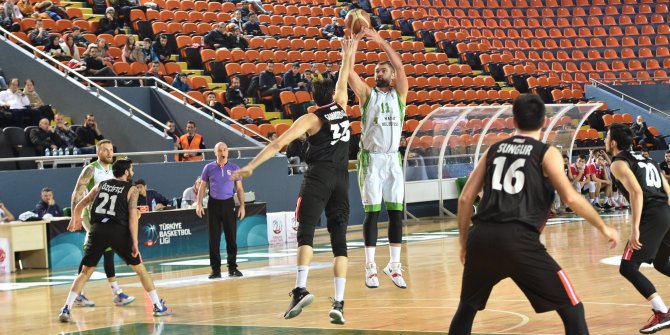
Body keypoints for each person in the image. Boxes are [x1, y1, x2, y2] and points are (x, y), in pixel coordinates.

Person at [448, 94, 619, 335]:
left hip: (482, 237)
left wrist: (464, 242)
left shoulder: (494, 149)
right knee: (573, 309)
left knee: (466, 309)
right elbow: (570, 197)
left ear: (514, 120)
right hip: (519, 240)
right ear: (545, 121)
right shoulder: (545, 152)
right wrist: (603, 227)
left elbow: (466, 198)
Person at [231, 34, 359, 325]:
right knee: (340, 241)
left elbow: (277, 145)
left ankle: (300, 289)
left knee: (306, 232)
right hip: (342, 178)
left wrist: (251, 166)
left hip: (318, 177)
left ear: (313, 96)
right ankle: (339, 302)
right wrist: (348, 52)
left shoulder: (311, 119)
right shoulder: (342, 105)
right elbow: (343, 80)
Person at [59, 159, 170, 322]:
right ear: (126, 172)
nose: (132, 172)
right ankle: (158, 306)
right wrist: (134, 242)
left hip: (97, 230)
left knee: (85, 271)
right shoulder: (132, 189)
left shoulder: (100, 185)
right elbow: (133, 217)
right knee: (140, 269)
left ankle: (66, 308)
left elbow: (80, 204)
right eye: (131, 170)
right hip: (117, 231)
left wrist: (75, 219)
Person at [347, 28, 409, 289]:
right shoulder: (367, 95)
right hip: (371, 160)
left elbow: (400, 66)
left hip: (393, 159)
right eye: (375, 72)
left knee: (396, 214)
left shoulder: (400, 95)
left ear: (391, 76)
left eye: (382, 71)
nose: (378, 74)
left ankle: (394, 266)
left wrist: (381, 41)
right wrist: (357, 43)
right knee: (372, 215)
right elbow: (349, 74)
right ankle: (370, 266)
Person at [605, 123, 670, 333]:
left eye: (607, 137)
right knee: (660, 263)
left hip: (651, 215)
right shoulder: (648, 158)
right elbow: (667, 190)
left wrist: (635, 228)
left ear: (613, 142)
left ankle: (662, 313)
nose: (605, 140)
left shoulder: (618, 163)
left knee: (628, 267)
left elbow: (636, 193)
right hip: (666, 213)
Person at [70, 139, 134, 308]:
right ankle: (84, 294)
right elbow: (77, 193)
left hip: (107, 217)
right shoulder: (91, 169)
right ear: (98, 152)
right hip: (90, 216)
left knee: (106, 252)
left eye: (111, 150)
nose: (109, 153)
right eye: (105, 150)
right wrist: (74, 216)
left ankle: (116, 293)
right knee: (95, 254)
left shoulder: (114, 171)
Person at [196, 142, 245, 279]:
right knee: (214, 238)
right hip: (213, 204)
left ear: (227, 152)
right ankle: (215, 270)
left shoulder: (234, 168)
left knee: (231, 237)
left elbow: (240, 189)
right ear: (215, 152)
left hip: (229, 204)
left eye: (224, 150)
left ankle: (232, 268)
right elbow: (202, 186)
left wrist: (242, 206)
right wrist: (199, 204)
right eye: (219, 150)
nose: (222, 152)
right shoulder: (208, 167)